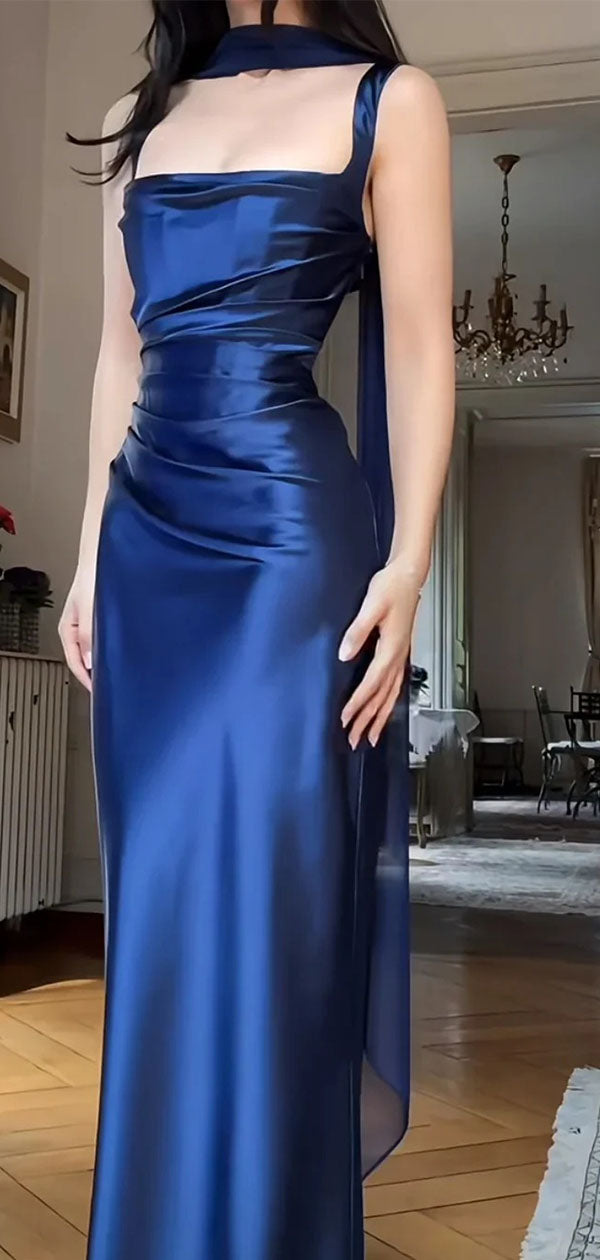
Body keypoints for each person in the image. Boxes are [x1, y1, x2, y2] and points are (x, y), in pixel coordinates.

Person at [60, 2, 454, 1257]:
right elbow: (118, 355)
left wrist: (408, 564)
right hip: (147, 554)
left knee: (275, 909)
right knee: (163, 909)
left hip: (289, 543)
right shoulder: (135, 119)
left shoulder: (390, 102)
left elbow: (424, 348)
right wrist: (87, 557)